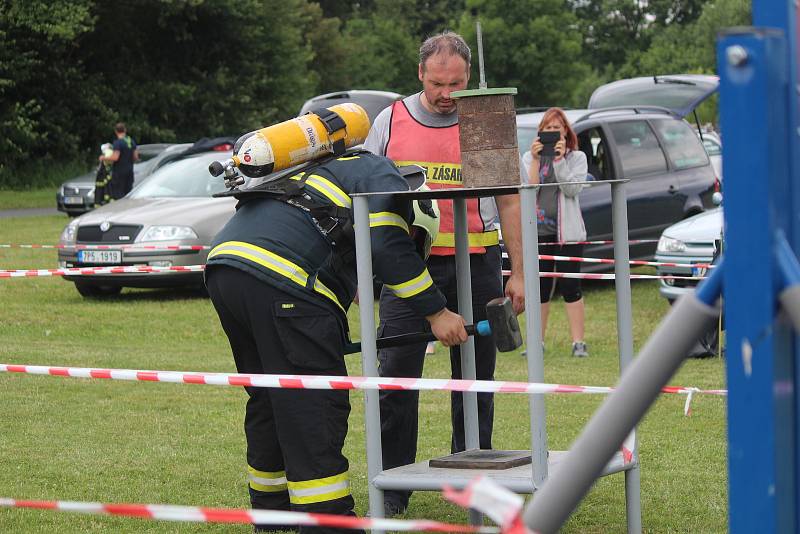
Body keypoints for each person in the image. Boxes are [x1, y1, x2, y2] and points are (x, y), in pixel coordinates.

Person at [204, 147, 468, 533]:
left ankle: (272, 514)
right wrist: (437, 312)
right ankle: (328, 522)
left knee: (269, 396)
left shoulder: (326, 170)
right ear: (417, 222)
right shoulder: (385, 176)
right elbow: (387, 246)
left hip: (227, 268)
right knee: (313, 404)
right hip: (285, 280)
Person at [363, 31, 525, 516]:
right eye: (438, 83)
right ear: (420, 75)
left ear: (468, 77)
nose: (448, 94)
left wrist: (519, 272)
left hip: (477, 263)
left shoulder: (486, 119)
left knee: (475, 382)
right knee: (396, 379)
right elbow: (366, 198)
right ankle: (393, 489)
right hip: (408, 268)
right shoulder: (389, 121)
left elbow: (510, 198)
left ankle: (472, 479)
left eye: (456, 83)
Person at [522, 107, 589, 357]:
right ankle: (536, 343)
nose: (552, 133)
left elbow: (572, 190)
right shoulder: (529, 158)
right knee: (540, 287)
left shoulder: (577, 157)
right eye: (547, 129)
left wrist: (559, 161)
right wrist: (537, 160)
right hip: (539, 232)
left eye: (556, 129)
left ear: (565, 132)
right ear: (540, 133)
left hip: (568, 233)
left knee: (571, 286)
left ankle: (578, 343)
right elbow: (528, 190)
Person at [98, 122, 139, 200]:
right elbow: (135, 157)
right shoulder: (131, 141)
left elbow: (115, 157)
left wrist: (103, 158)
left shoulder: (118, 143)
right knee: (128, 193)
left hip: (119, 173)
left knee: (118, 194)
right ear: (125, 130)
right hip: (129, 171)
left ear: (116, 131)